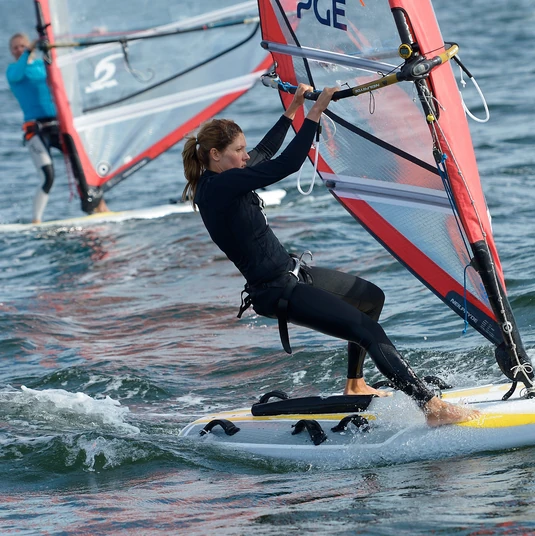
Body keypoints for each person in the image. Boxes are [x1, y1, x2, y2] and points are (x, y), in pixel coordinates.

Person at [181, 84, 479, 426]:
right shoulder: (219, 188)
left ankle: (355, 383)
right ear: (215, 155)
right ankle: (431, 408)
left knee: (370, 299)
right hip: (276, 292)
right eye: (238, 150)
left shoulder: (225, 177)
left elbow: (264, 152)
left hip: (291, 274)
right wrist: (315, 112)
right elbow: (287, 164)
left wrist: (292, 110)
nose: (246, 156)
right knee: (368, 331)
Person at [6, 33, 108, 223]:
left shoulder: (42, 65)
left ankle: (99, 207)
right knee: (48, 176)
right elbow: (19, 73)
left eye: (22, 46)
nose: (18, 50)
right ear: (11, 51)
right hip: (36, 131)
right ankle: (36, 220)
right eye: (15, 47)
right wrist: (29, 50)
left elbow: (67, 56)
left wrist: (90, 39)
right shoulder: (12, 71)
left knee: (85, 167)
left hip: (59, 125)